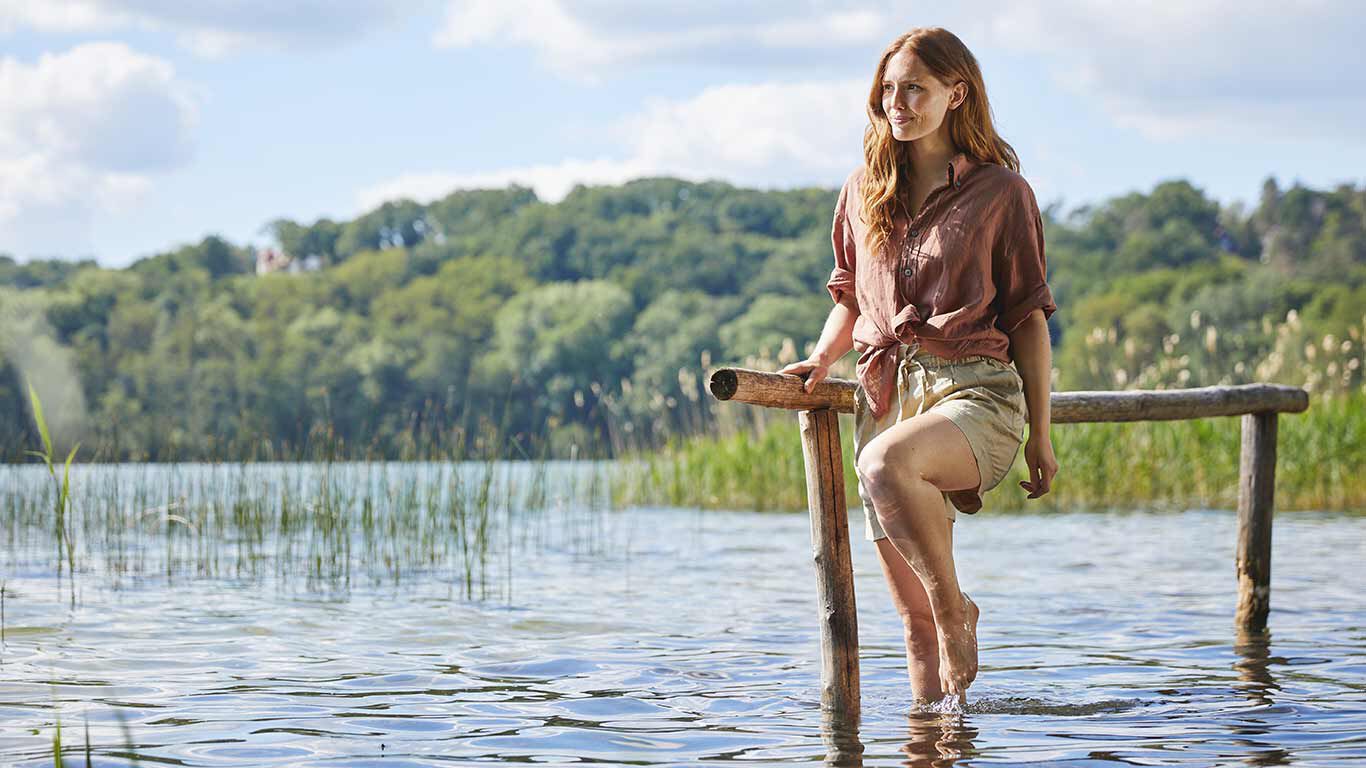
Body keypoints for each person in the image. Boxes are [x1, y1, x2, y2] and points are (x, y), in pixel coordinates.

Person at [777, 27, 1060, 705]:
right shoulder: (861, 190)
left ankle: (956, 608)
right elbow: (849, 298)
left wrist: (1042, 435)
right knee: (911, 625)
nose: (896, 101)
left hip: (974, 395)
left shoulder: (1001, 193)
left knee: (884, 469)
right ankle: (934, 742)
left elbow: (1027, 317)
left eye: (915, 88)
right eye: (888, 88)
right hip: (884, 401)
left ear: (955, 93)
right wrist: (820, 359)